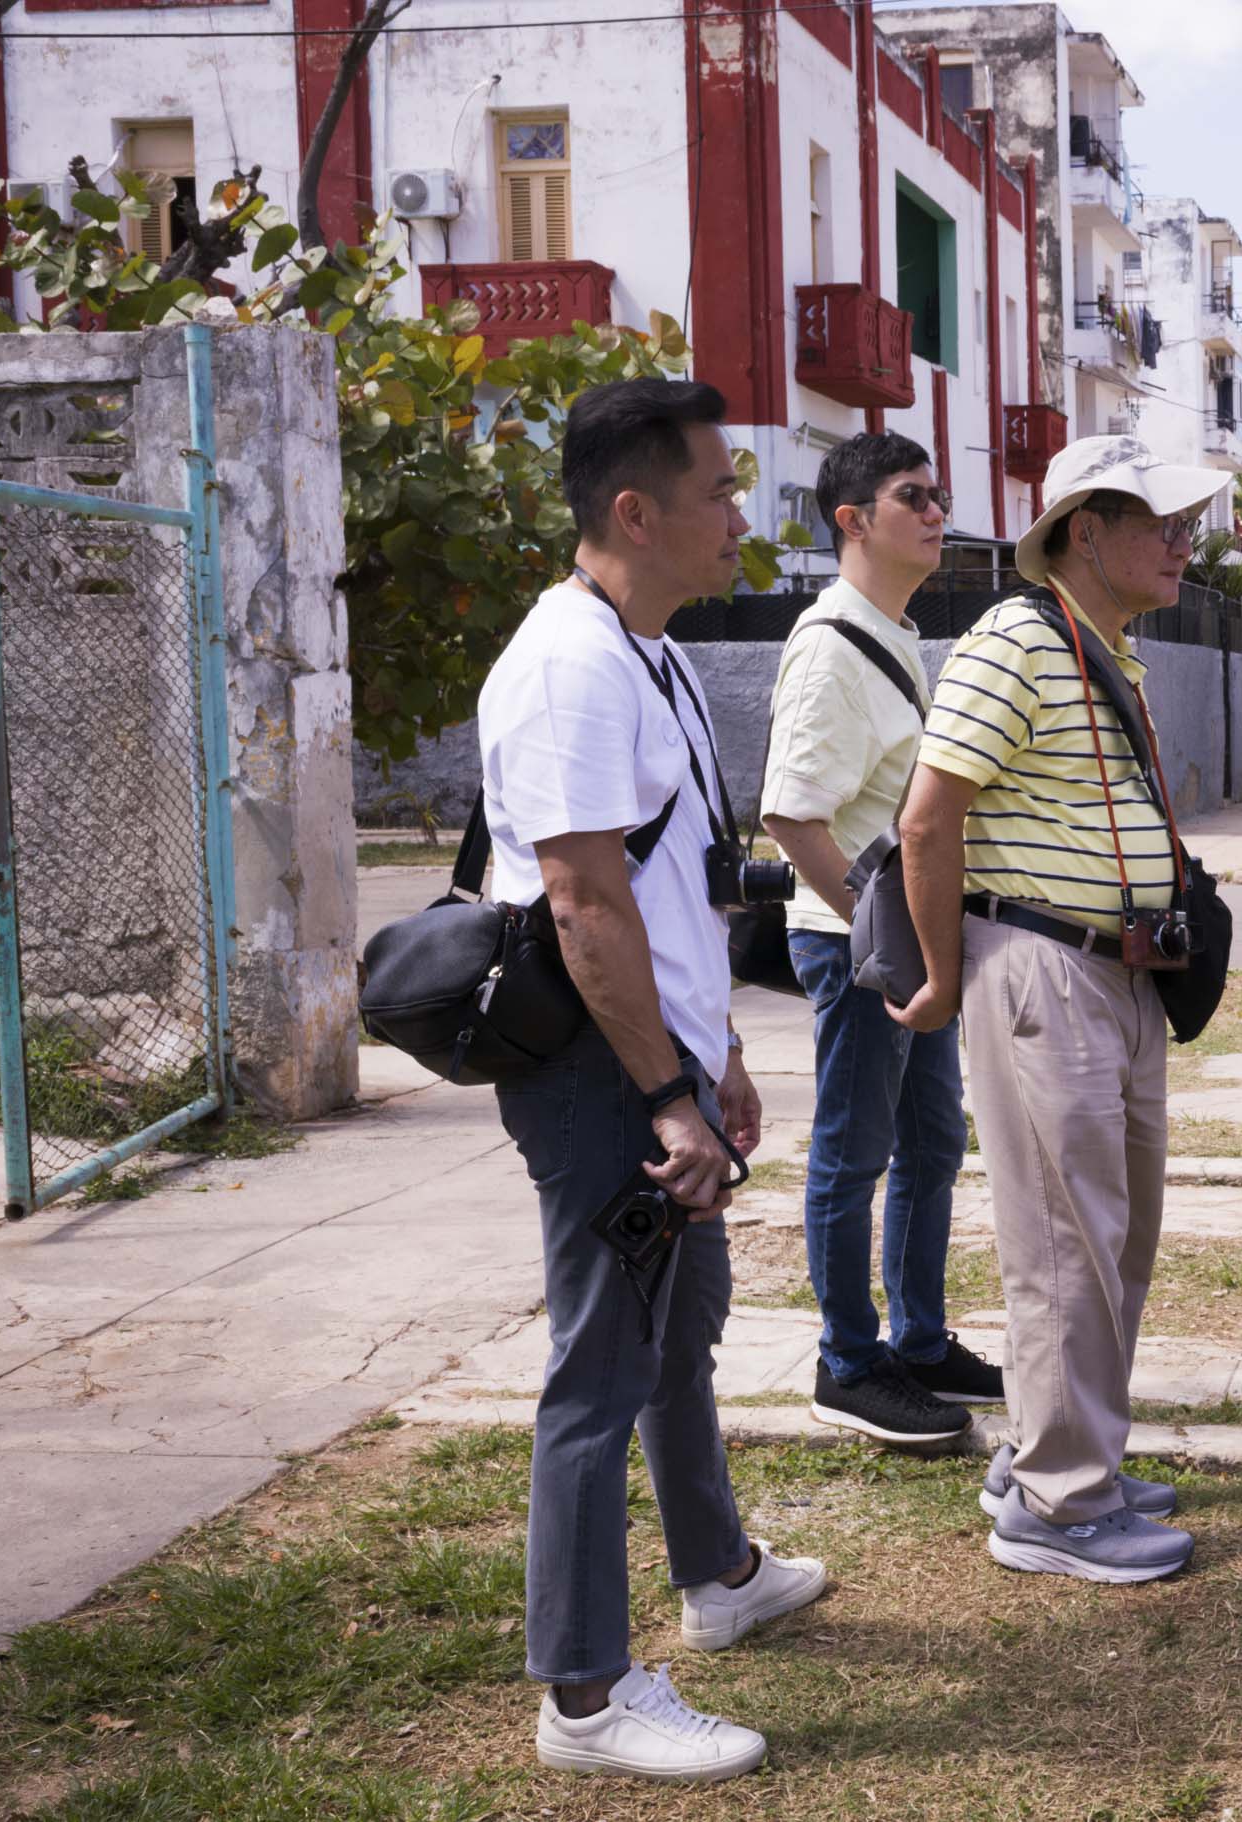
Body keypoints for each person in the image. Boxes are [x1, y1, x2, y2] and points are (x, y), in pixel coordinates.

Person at [477, 378, 824, 1780]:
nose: (742, 515)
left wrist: (723, 1053)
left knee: (680, 1330)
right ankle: (584, 1693)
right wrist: (666, 1093)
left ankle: (718, 1570)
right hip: (599, 1069)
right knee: (600, 1364)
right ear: (636, 510)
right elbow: (582, 903)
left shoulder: (651, 651)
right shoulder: (568, 665)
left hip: (663, 1054)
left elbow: (672, 888)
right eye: (720, 492)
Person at [890, 434, 1228, 1585]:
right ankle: (1057, 1503)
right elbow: (927, 822)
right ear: (1086, 528)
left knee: (1115, 1234)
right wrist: (939, 978)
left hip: (1117, 972)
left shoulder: (1104, 648)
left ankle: (1067, 1450)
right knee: (1062, 1246)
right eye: (1162, 522)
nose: (1183, 543)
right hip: (1042, 966)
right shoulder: (1014, 637)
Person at [759, 432, 1000, 1451]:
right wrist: (879, 938)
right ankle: (847, 1363)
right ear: (851, 519)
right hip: (859, 949)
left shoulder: (891, 632)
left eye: (938, 496)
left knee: (932, 1144)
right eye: (913, 497)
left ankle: (918, 1335)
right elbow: (788, 812)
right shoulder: (829, 647)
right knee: (853, 1154)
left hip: (904, 943)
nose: (935, 512)